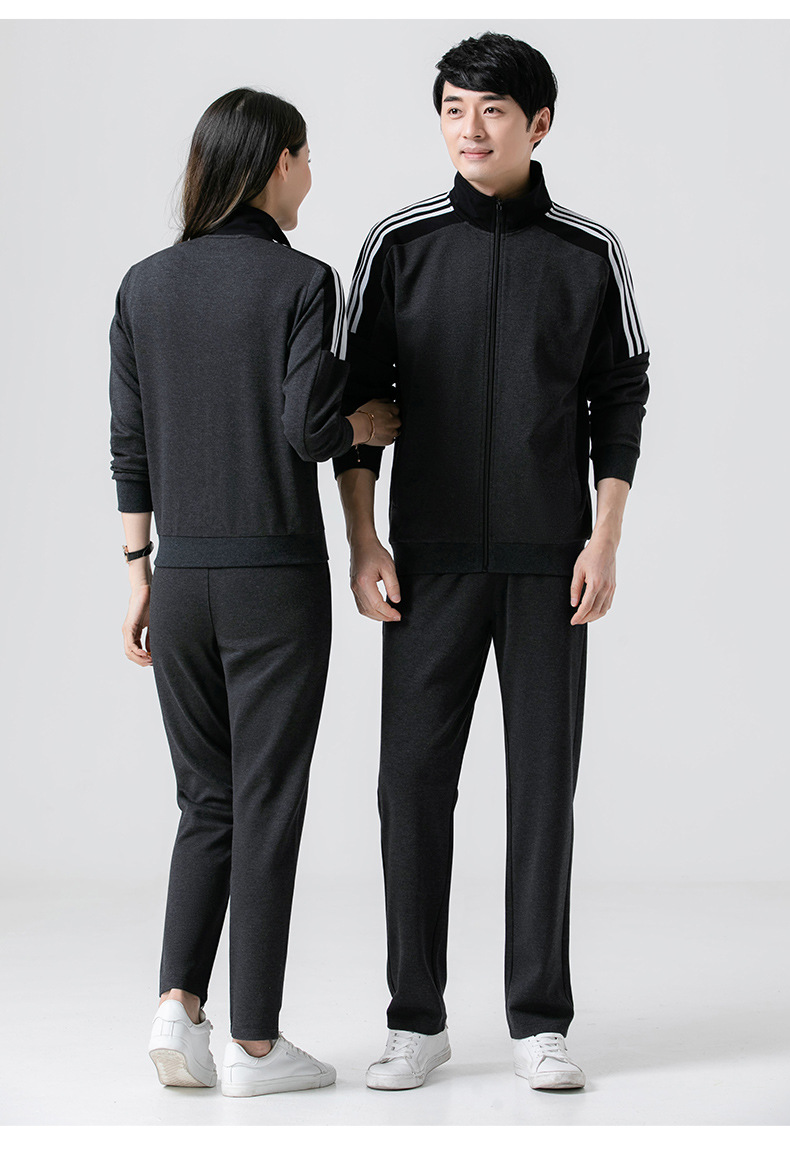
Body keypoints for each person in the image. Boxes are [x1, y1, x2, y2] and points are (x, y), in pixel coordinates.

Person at [333, 32, 649, 1091]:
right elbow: (357, 401)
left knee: (543, 789)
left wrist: (604, 536)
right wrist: (364, 538)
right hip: (424, 563)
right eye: (453, 109)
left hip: (550, 563)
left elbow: (620, 398)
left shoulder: (588, 252)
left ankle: (538, 1019)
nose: (469, 129)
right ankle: (414, 1019)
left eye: (492, 111)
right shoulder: (399, 245)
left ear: (538, 123)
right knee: (410, 787)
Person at [109, 87, 399, 1097]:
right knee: (267, 802)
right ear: (277, 162)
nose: (311, 174)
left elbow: (131, 445)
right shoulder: (301, 281)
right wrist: (365, 424)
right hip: (273, 580)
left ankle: (176, 1007)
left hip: (179, 578)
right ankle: (258, 1047)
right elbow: (306, 428)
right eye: (306, 157)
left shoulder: (143, 286)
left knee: (207, 799)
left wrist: (139, 573)